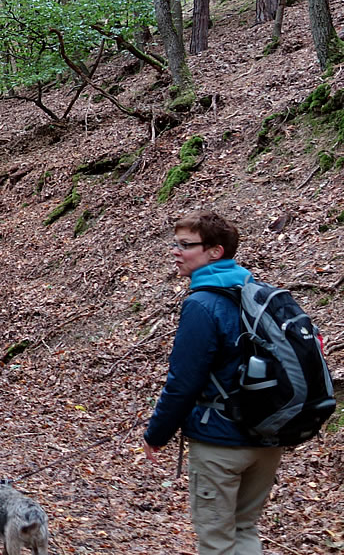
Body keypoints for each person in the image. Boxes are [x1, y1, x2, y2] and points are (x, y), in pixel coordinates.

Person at [143, 211, 284, 555]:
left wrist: (156, 435)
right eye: (175, 243)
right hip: (269, 437)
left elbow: (182, 382)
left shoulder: (202, 304)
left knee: (217, 541)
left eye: (186, 245)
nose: (176, 251)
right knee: (245, 530)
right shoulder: (257, 293)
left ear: (215, 252)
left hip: (221, 444)